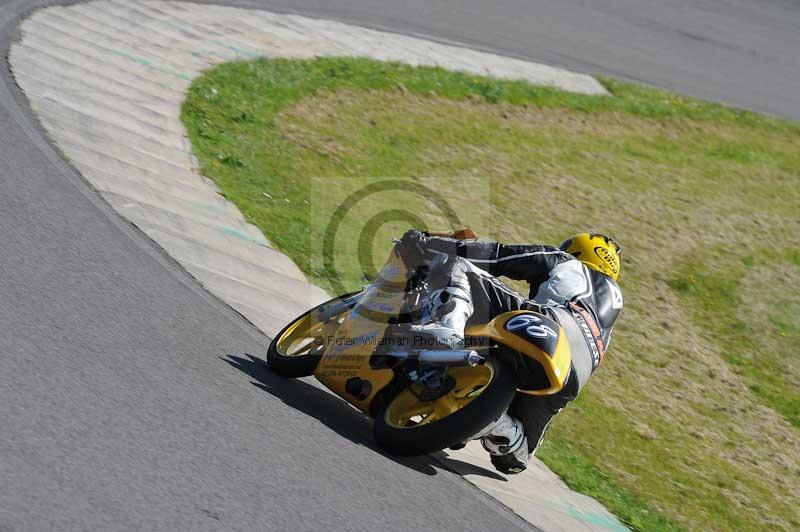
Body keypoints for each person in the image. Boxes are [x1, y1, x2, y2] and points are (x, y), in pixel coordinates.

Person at [396, 230, 624, 474]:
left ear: (577, 250)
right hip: (572, 375)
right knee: (517, 458)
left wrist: (429, 244)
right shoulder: (613, 308)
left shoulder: (565, 261)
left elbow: (497, 256)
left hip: (551, 325)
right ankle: (495, 424)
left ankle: (447, 333)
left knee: (460, 265)